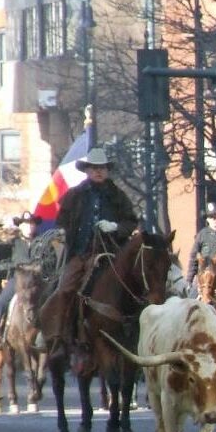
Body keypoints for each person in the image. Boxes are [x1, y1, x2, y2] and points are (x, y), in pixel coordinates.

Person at [42, 147, 140, 344]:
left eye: (102, 167)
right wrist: (63, 232)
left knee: (136, 290)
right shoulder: (74, 195)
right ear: (86, 170)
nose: (98, 171)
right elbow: (62, 221)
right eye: (94, 167)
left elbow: (131, 222)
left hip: (111, 255)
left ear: (107, 170)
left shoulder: (118, 195)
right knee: (64, 289)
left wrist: (116, 227)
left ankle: (135, 334)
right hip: (81, 254)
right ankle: (58, 335)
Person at [0, 212, 56, 339]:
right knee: (1, 302)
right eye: (26, 224)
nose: (29, 226)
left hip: (37, 279)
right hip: (18, 278)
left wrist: (39, 266)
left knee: (52, 298)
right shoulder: (14, 242)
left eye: (31, 223)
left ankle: (53, 332)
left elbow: (51, 259)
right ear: (20, 226)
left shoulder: (42, 241)